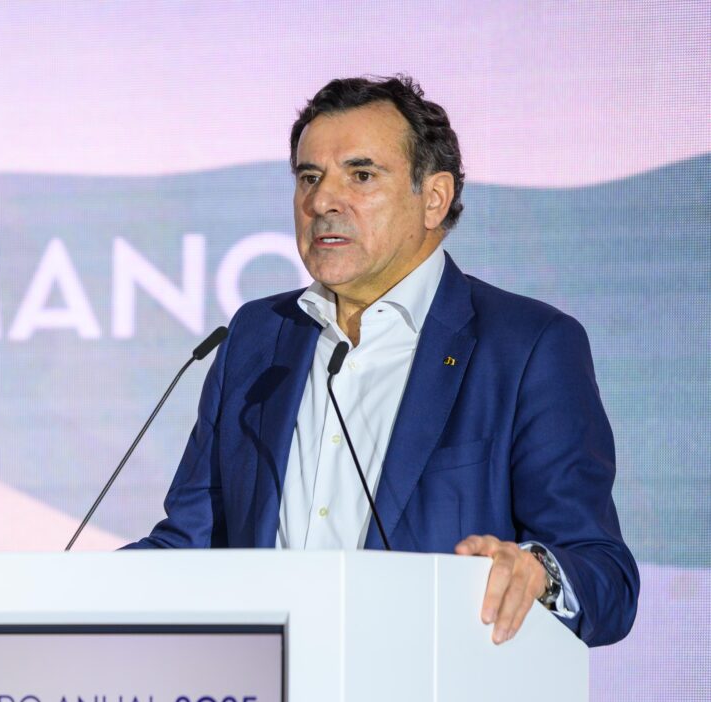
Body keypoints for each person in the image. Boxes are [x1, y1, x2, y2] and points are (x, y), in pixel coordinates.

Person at [127, 75, 638, 648]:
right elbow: (193, 543)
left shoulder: (527, 347)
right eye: (309, 177)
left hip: (431, 689)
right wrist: (67, 591)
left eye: (361, 175)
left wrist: (536, 573)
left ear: (434, 198)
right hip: (266, 693)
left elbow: (606, 578)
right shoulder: (258, 335)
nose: (322, 201)